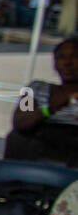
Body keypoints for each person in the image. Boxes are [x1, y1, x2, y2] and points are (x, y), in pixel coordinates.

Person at [5, 35, 78, 167]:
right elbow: (20, 121)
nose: (67, 63)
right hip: (39, 141)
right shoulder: (34, 88)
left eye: (74, 57)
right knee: (16, 138)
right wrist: (50, 109)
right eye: (61, 57)